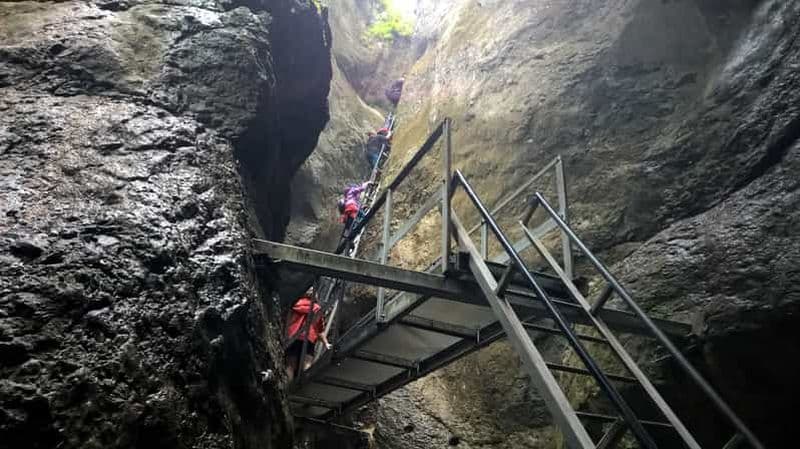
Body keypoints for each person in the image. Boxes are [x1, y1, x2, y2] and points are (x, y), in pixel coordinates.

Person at [285, 287, 331, 380]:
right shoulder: (316, 308)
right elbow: (319, 330)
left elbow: (287, 321)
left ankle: (287, 388)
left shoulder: (295, 305)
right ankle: (303, 386)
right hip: (308, 338)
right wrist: (326, 343)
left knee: (290, 365)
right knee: (307, 363)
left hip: (293, 337)